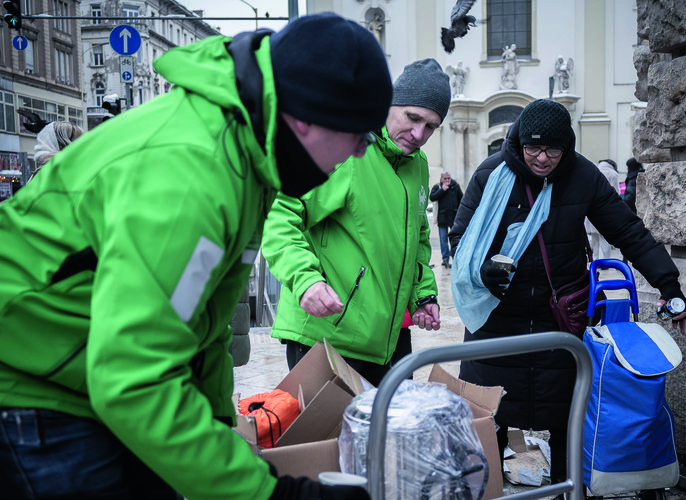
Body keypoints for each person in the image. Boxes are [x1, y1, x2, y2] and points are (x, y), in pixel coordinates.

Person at [0, 12, 392, 500]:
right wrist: (271, 494)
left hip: (87, 368)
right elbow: (134, 379)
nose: (361, 154)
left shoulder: (250, 153)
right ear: (309, 117)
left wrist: (221, 430)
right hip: (32, 381)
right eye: (360, 135)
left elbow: (204, 325)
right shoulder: (194, 172)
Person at [449, 99, 686, 488]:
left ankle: (569, 491)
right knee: (489, 417)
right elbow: (460, 238)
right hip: (496, 320)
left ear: (568, 146)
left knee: (568, 419)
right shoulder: (490, 174)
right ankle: (491, 489)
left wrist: (668, 283)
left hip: (559, 320)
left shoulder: (583, 176)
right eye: (534, 148)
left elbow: (628, 231)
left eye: (553, 150)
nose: (542, 158)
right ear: (520, 142)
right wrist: (483, 269)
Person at [262, 58, 451, 386]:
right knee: (331, 424)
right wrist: (305, 281)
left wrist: (423, 296)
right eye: (412, 118)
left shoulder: (418, 164)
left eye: (431, 126)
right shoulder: (343, 145)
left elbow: (418, 238)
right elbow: (279, 217)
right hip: (325, 339)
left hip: (385, 343)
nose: (419, 134)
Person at [586, 159, 620, 259]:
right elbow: (615, 192)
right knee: (605, 240)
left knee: (594, 241)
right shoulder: (613, 174)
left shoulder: (592, 171)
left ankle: (594, 261)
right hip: (606, 210)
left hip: (591, 209)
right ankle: (604, 262)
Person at [430, 171, 464, 268]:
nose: (447, 180)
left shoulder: (455, 186)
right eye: (445, 179)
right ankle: (445, 259)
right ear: (441, 179)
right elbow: (432, 197)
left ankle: (455, 257)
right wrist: (442, 190)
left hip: (454, 218)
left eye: (448, 178)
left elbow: (462, 199)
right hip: (442, 218)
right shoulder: (437, 187)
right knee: (443, 240)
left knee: (454, 239)